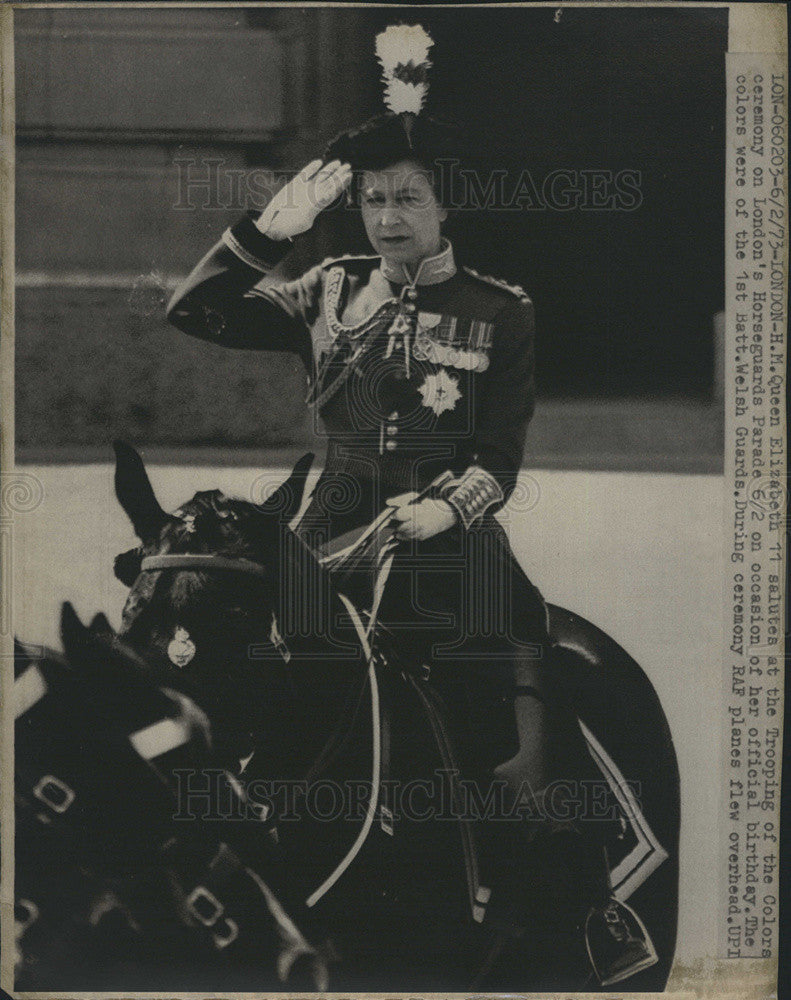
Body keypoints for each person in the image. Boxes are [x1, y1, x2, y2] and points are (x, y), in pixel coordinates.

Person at [166, 29, 655, 985]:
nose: (387, 217)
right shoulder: (325, 289)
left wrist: (454, 508)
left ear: (445, 204)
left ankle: (585, 897)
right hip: (323, 528)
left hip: (444, 541)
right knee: (223, 651)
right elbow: (195, 311)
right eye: (371, 198)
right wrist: (266, 231)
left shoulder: (497, 309)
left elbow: (499, 457)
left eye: (407, 198)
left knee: (521, 690)